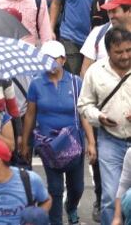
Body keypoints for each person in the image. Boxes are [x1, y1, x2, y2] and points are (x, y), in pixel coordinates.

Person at [21, 41, 93, 225]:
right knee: (55, 188)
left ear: (63, 59)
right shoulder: (36, 84)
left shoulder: (76, 83)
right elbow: (30, 115)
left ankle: (71, 207)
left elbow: (83, 113)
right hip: (48, 144)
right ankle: (55, 222)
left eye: (53, 59)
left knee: (77, 187)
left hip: (73, 143)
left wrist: (91, 142)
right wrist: (25, 143)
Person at [78, 26, 131, 225]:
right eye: (119, 52)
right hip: (110, 140)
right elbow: (84, 105)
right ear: (108, 51)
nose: (125, 56)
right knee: (110, 197)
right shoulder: (95, 72)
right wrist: (99, 117)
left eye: (129, 50)